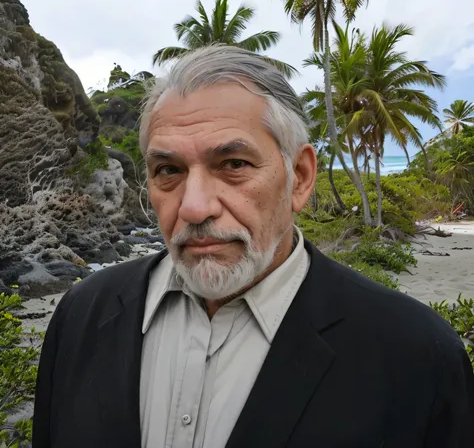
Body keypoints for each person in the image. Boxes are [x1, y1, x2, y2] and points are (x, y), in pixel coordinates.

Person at [32, 45, 473, 448]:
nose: (194, 207)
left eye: (233, 164)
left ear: (299, 177)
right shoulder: (81, 315)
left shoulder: (416, 355)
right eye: (168, 170)